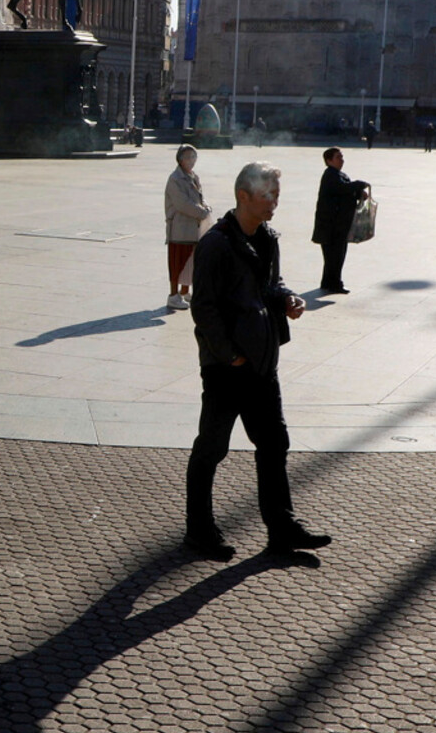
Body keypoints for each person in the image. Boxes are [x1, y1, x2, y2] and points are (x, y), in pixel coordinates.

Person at [184, 161, 330, 561]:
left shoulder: (267, 238)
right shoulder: (215, 244)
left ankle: (281, 530)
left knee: (274, 442)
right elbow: (204, 308)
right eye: (267, 196)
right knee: (212, 448)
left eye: (277, 195)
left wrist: (287, 299)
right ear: (243, 196)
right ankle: (198, 531)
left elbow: (270, 285)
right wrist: (229, 355)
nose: (274, 203)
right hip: (226, 369)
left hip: (263, 362)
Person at [311, 147, 370, 294]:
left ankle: (328, 282)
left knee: (334, 255)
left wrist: (359, 194)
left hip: (337, 224)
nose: (342, 160)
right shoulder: (330, 176)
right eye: (338, 157)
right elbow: (342, 188)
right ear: (329, 160)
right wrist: (359, 184)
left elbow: (344, 193)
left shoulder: (338, 175)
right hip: (331, 225)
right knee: (335, 256)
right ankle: (334, 284)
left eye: (342, 157)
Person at [164, 145, 212, 311]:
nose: (191, 160)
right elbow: (182, 203)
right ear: (179, 160)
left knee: (190, 262)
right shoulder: (175, 179)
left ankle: (185, 291)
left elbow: (200, 198)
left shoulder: (193, 176)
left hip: (193, 226)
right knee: (177, 262)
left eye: (193, 157)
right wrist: (201, 212)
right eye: (187, 157)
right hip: (180, 227)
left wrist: (206, 207)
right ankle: (173, 296)